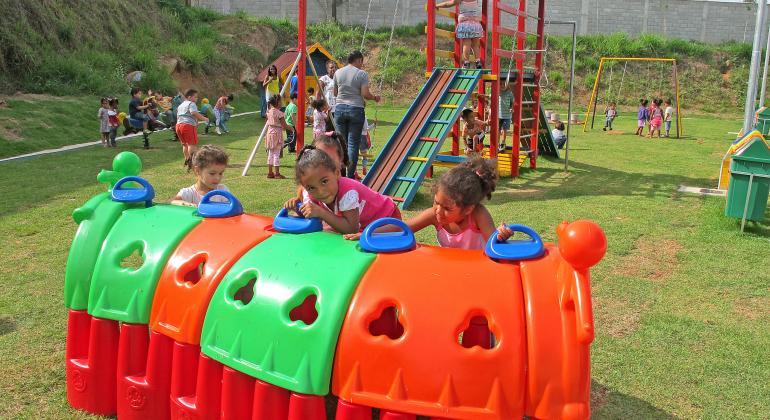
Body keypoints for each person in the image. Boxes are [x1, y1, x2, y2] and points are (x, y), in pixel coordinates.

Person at [345, 158, 512, 248]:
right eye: (436, 202)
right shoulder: (435, 214)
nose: (438, 211)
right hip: (451, 271)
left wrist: (501, 235)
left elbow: (494, 244)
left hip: (479, 271)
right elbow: (402, 227)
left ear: (468, 209)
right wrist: (369, 233)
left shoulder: (478, 215)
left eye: (447, 208)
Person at [284, 146, 400, 234]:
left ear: (337, 173)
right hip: (362, 223)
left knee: (361, 235)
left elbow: (351, 228)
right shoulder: (310, 194)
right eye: (311, 187)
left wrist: (321, 212)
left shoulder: (348, 193)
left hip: (387, 219)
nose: (320, 191)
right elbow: (312, 216)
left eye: (324, 181)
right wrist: (299, 209)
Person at [334, 50, 381, 178]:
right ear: (359, 60)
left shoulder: (338, 72)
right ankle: (350, 176)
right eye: (362, 62)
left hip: (339, 109)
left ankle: (340, 174)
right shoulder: (362, 74)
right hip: (356, 109)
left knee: (341, 144)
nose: (362, 64)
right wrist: (374, 97)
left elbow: (335, 93)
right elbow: (365, 94)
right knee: (353, 144)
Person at [437, 0, 484, 69]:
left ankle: (466, 63)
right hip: (475, 25)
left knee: (466, 44)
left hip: (465, 24)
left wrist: (437, 5)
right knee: (475, 45)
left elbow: (448, 4)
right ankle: (478, 62)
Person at [176, 89, 209, 168]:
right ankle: (192, 162)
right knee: (192, 144)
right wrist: (204, 118)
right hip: (187, 126)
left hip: (178, 126)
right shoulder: (191, 103)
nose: (197, 99)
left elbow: (179, 116)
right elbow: (193, 113)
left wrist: (196, 122)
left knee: (184, 144)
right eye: (195, 97)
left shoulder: (181, 105)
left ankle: (187, 159)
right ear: (190, 97)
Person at [265, 94, 295, 179]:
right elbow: (284, 125)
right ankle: (277, 173)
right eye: (281, 101)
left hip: (269, 133)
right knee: (276, 154)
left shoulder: (269, 112)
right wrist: (292, 128)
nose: (282, 102)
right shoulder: (280, 113)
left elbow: (268, 122)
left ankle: (270, 173)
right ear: (278, 102)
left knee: (270, 153)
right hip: (277, 134)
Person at [498, 82, 513, 151]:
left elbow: (512, 103)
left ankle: (503, 142)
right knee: (498, 130)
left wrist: (511, 108)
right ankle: (497, 143)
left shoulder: (510, 93)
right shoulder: (498, 92)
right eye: (501, 84)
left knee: (504, 130)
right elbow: (490, 96)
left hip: (507, 115)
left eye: (504, 84)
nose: (502, 86)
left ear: (507, 85)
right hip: (499, 115)